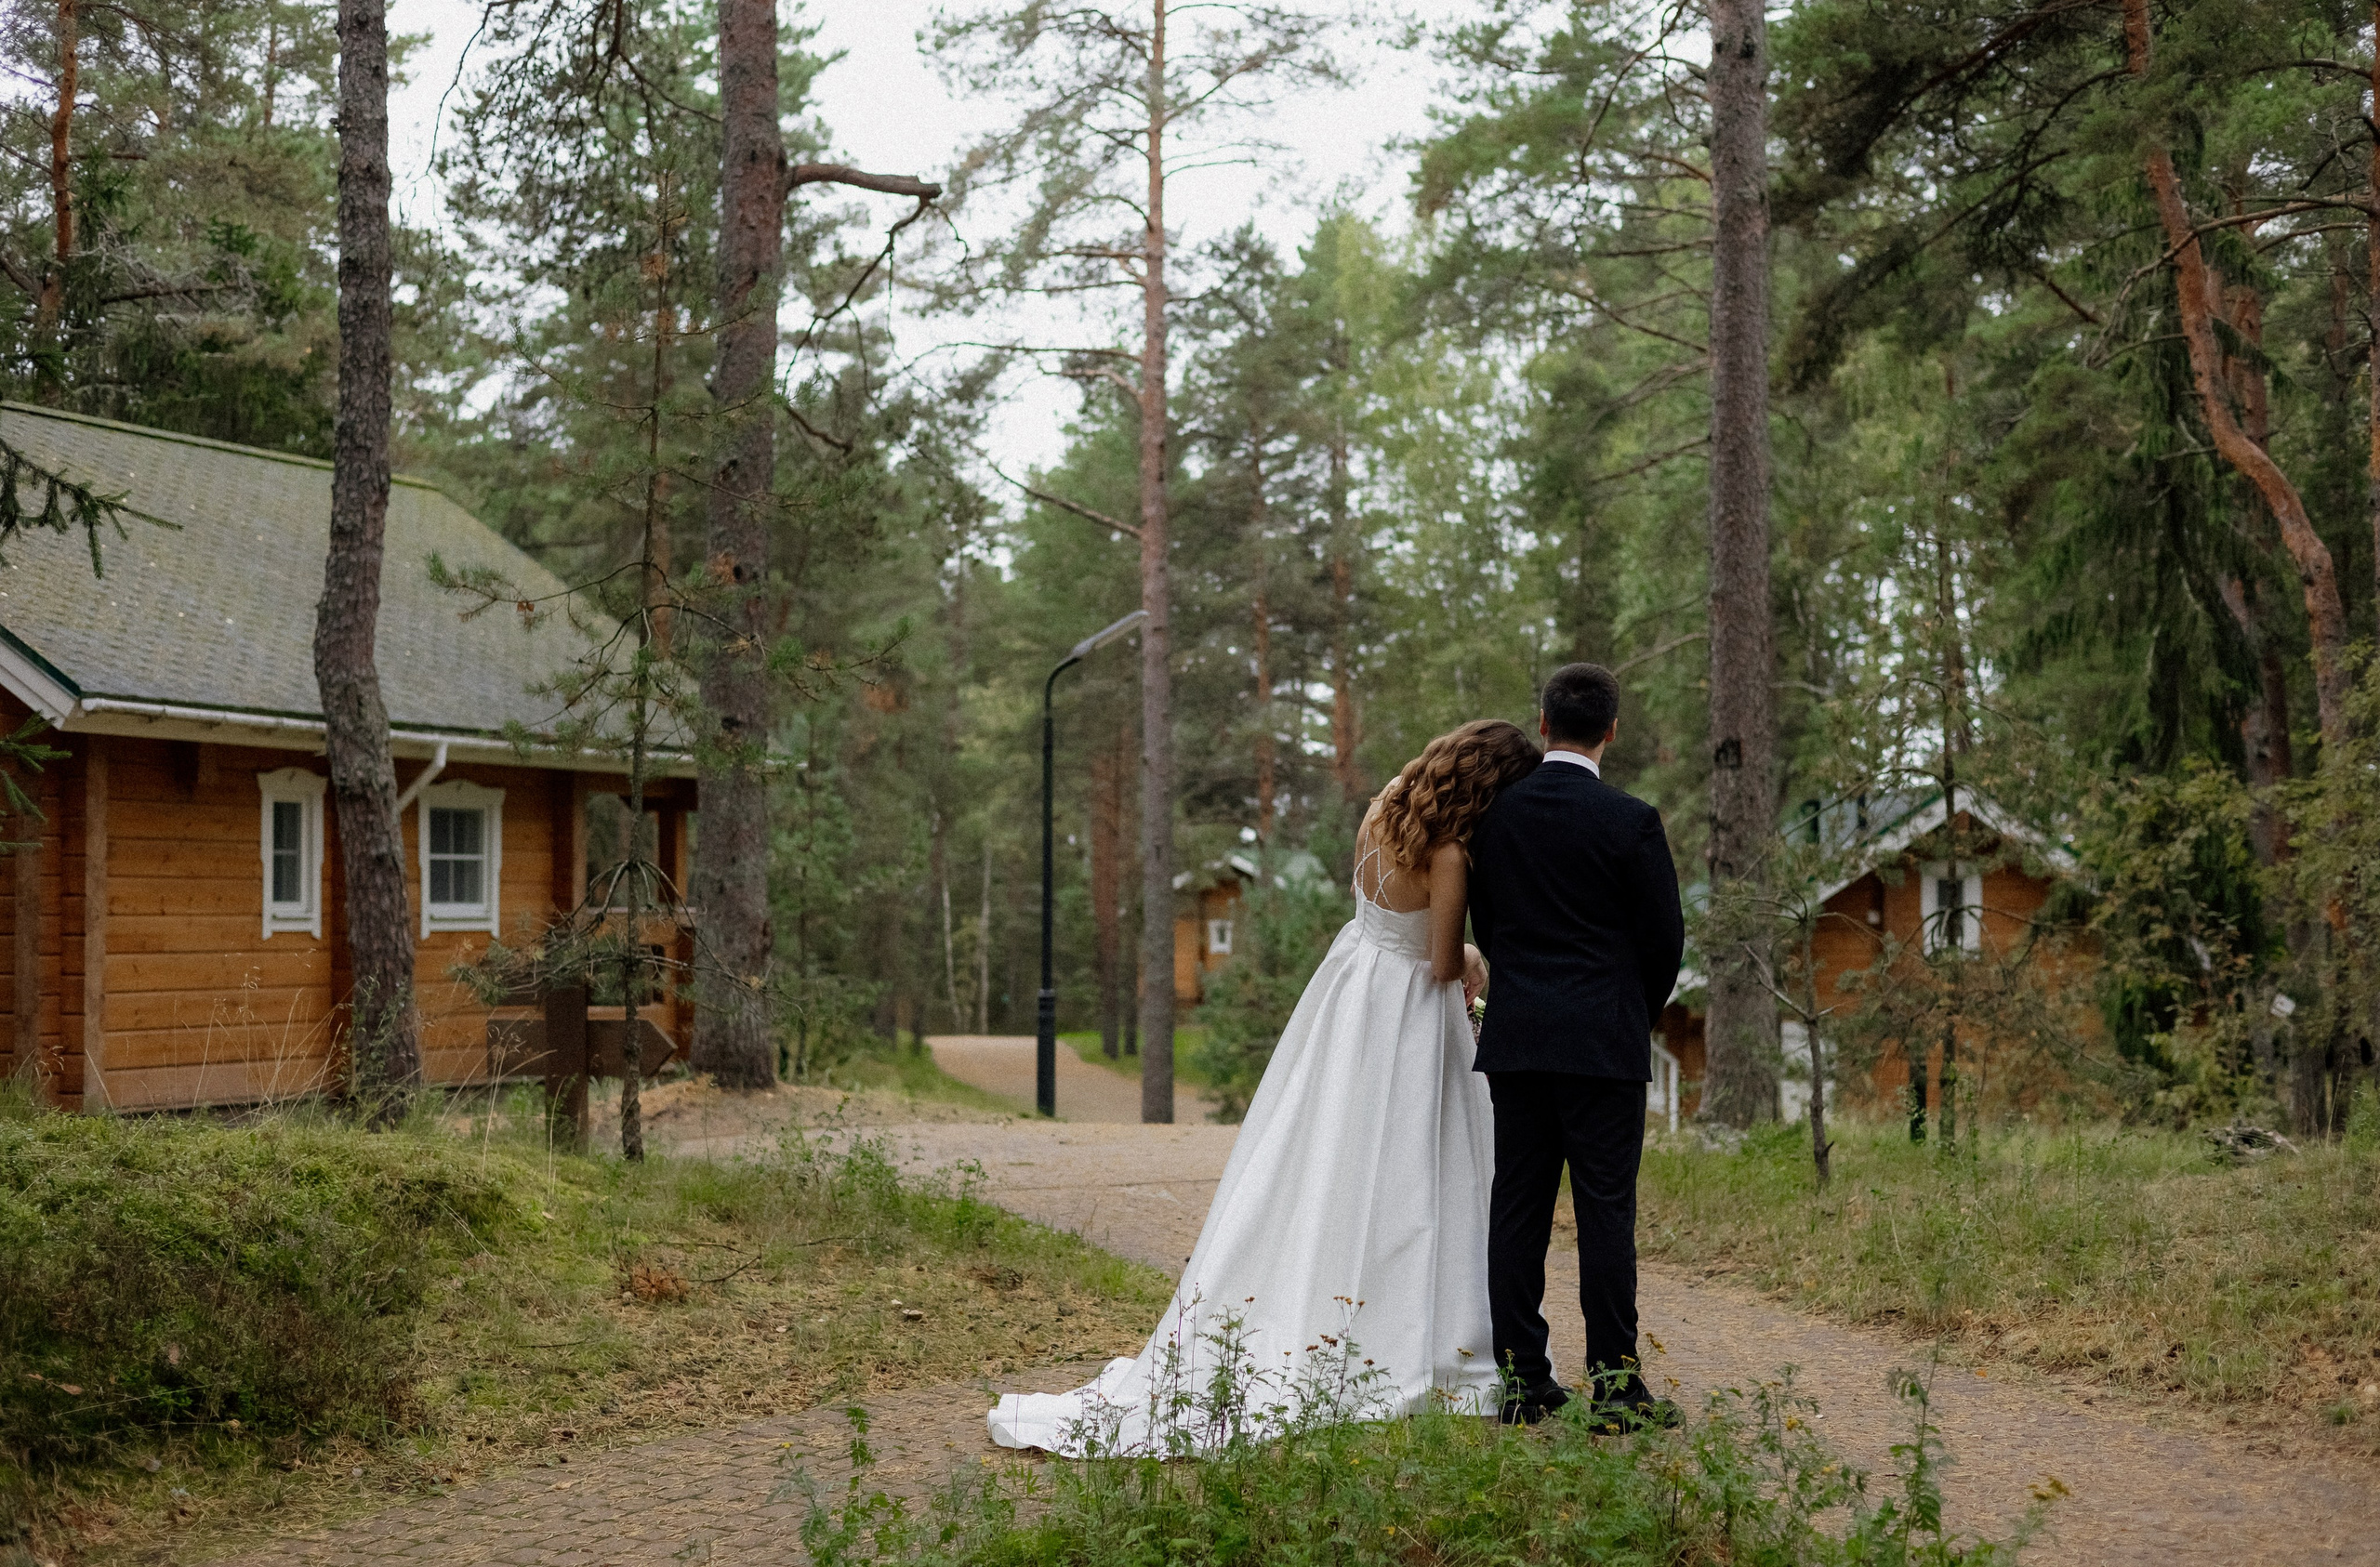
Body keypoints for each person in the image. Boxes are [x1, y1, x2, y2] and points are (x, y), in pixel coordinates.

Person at [987, 718, 1540, 1455]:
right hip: (1407, 1013)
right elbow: (1440, 964)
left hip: (1351, 995)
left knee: (1329, 1153)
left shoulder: (1381, 810)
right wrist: (1477, 956)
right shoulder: (1448, 854)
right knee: (1413, 1165)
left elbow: (1380, 921)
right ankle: (1419, 1327)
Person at [1466, 662, 1686, 1428]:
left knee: (1517, 1210)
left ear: (1544, 722)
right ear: (1612, 732)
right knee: (1604, 1214)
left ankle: (1525, 1385)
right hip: (1604, 1045)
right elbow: (1665, 942)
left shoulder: (1497, 818)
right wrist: (1629, 1011)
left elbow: (1486, 928)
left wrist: (1523, 994)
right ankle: (1617, 1390)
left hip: (1520, 1041)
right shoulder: (1631, 820)